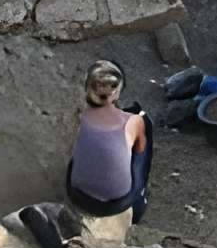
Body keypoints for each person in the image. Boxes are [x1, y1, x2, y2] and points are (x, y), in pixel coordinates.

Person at [64, 60, 152, 221]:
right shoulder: (134, 121)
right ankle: (138, 204)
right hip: (115, 204)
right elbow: (139, 150)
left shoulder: (79, 115)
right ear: (117, 91)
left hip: (75, 194)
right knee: (144, 140)